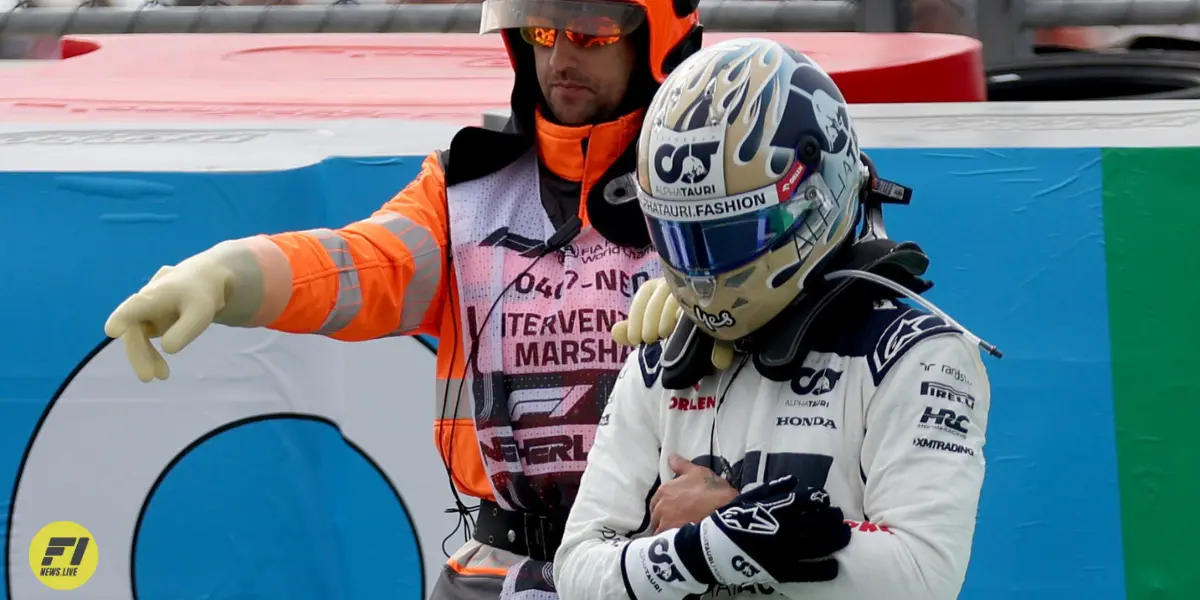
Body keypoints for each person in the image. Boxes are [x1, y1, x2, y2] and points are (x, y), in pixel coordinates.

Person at [101, 1, 705, 599]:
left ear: (655, 42)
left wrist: (715, 307)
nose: (561, 55)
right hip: (499, 573)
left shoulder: (717, 185)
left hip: (658, 569)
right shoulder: (464, 188)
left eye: (592, 30)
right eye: (543, 28)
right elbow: (363, 264)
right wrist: (228, 274)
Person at [555, 37, 1000, 600]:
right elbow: (575, 572)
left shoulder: (919, 354)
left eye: (728, 235)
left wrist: (725, 523)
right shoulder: (661, 357)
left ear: (814, 197)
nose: (703, 271)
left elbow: (921, 574)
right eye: (680, 238)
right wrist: (709, 549)